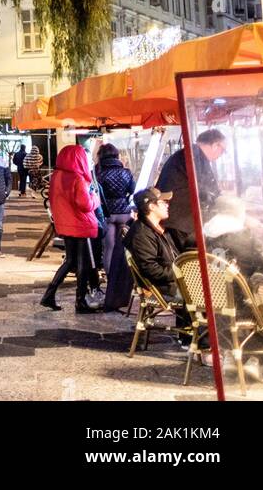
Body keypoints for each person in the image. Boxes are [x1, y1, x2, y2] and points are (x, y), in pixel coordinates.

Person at [123, 188, 195, 342]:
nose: (168, 205)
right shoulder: (141, 234)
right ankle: (203, 344)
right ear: (151, 207)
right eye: (163, 202)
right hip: (161, 288)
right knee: (210, 295)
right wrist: (183, 273)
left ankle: (187, 338)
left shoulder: (159, 229)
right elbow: (152, 270)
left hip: (172, 282)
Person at [40, 144, 101, 313]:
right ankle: (80, 301)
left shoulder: (57, 176)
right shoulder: (77, 179)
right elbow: (85, 204)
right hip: (80, 225)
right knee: (83, 264)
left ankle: (49, 295)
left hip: (65, 224)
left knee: (70, 261)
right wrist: (95, 198)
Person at [155, 129, 225, 238]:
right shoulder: (196, 157)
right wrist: (226, 204)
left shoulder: (188, 153)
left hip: (175, 219)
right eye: (223, 150)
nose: (221, 155)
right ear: (216, 145)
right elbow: (210, 190)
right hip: (181, 221)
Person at [95, 142, 135, 285]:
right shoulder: (126, 172)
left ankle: (111, 280)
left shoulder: (98, 173)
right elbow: (132, 190)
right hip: (124, 213)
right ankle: (124, 278)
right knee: (124, 247)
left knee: (109, 248)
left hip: (107, 214)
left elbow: (96, 194)